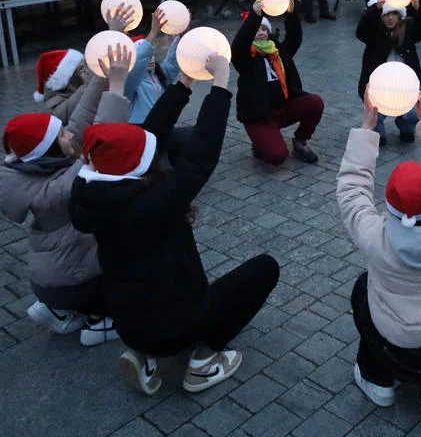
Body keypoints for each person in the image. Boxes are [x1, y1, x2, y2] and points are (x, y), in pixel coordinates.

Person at [69, 52, 280, 395]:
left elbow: (149, 134)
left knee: (148, 293)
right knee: (264, 269)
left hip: (128, 322)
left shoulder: (91, 192)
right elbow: (201, 157)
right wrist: (221, 85)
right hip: (177, 325)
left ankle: (143, 354)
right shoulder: (153, 203)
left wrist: (183, 84)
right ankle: (203, 361)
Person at [337, 92, 421, 416]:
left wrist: (368, 127)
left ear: (390, 207)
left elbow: (352, 190)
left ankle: (378, 381)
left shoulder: (376, 238)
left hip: (398, 352)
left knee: (362, 288)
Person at [0, 46, 131, 346]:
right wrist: (117, 88)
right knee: (132, 275)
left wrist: (101, 78)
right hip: (74, 281)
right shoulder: (56, 190)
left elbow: (80, 121)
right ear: (52, 149)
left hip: (57, 276)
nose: (70, 135)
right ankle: (98, 322)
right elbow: (103, 142)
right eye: (62, 136)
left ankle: (56, 308)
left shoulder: (38, 167)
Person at [232, 2, 324, 165]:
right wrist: (255, 16)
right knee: (277, 157)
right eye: (256, 30)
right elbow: (239, 44)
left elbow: (295, 38)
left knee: (315, 102)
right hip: (259, 116)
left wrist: (290, 13)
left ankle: (300, 141)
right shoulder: (244, 58)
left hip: (282, 107)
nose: (260, 33)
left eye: (264, 29)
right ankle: (260, 142)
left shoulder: (277, 50)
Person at [356, 0, 421, 144]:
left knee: (411, 113)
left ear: (399, 15)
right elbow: (360, 31)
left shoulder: (408, 31)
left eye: (394, 14)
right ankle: (378, 132)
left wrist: (419, 8)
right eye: (386, 14)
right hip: (378, 88)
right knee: (376, 113)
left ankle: (406, 127)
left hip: (404, 86)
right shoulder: (373, 33)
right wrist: (375, 9)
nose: (390, 18)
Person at [123, 9, 183, 124]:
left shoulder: (158, 76)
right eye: (146, 56)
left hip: (161, 127)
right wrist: (153, 32)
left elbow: (171, 63)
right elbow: (136, 67)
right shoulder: (129, 83)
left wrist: (182, 35)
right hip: (140, 130)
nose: (149, 59)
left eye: (151, 55)